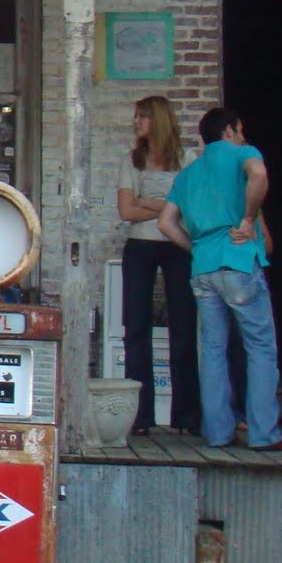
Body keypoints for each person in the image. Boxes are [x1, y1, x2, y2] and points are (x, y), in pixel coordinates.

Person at [158, 107, 282, 451]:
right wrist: (248, 218)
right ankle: (264, 433)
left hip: (203, 269)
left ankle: (218, 433)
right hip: (237, 261)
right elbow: (259, 174)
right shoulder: (243, 154)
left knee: (213, 351)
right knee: (261, 347)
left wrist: (197, 248)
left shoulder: (188, 174)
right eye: (241, 129)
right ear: (231, 131)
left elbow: (165, 222)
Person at [116, 96, 199, 436]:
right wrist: (166, 206)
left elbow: (190, 210)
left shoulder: (187, 160)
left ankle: (187, 416)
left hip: (178, 247)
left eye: (142, 117)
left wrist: (147, 202)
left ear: (159, 120)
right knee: (136, 329)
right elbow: (126, 212)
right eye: (136, 116)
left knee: (184, 329)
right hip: (140, 246)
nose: (136, 122)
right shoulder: (131, 160)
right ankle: (141, 417)